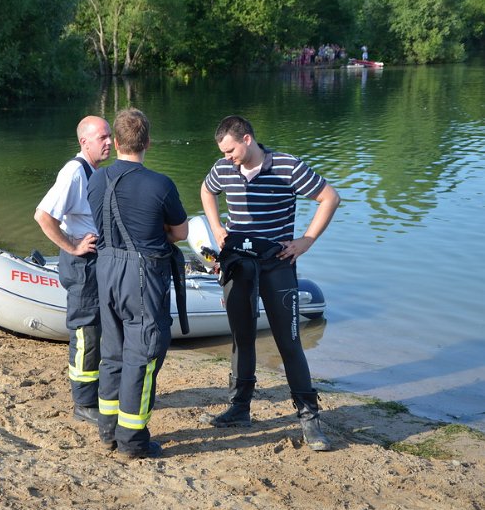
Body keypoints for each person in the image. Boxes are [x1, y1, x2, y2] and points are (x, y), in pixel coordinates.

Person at [199, 115, 340, 452]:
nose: (227, 157)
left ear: (247, 139)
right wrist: (216, 227)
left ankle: (309, 417)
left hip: (277, 263)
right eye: (223, 152)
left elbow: (330, 198)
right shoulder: (223, 168)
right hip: (238, 263)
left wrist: (306, 240)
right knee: (242, 339)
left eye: (231, 150)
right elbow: (206, 190)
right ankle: (239, 408)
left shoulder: (288, 166)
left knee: (289, 343)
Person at [87, 108, 188, 459]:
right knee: (142, 356)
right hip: (142, 276)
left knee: (112, 352)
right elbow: (180, 232)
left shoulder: (96, 179)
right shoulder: (160, 184)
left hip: (106, 269)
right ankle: (132, 440)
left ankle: (108, 430)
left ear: (115, 143)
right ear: (148, 142)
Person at [34, 116, 113, 425]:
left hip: (94, 263)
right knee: (85, 333)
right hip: (81, 265)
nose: (109, 142)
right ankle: (83, 403)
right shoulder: (74, 172)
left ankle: (92, 395)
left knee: (96, 331)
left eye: (109, 136)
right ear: (85, 142)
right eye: (102, 137)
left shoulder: (94, 172)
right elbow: (42, 215)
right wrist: (72, 246)